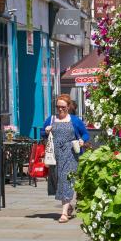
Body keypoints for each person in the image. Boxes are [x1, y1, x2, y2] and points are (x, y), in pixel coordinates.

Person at [43, 94, 90, 223]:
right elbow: (42, 133)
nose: (60, 109)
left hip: (70, 154)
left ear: (68, 107)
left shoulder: (75, 120)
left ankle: (63, 213)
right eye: (58, 106)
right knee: (58, 180)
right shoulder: (51, 119)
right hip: (55, 155)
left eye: (63, 106)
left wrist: (82, 140)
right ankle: (68, 206)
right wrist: (46, 131)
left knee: (66, 180)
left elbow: (85, 134)